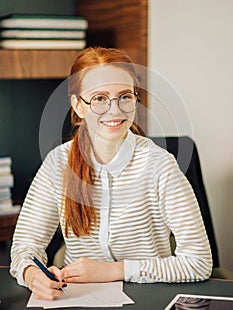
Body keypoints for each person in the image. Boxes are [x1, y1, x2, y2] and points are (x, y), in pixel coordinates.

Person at [10, 47, 212, 300]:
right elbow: (25, 246)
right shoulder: (58, 163)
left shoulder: (160, 165)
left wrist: (114, 271)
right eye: (99, 98)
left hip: (148, 298)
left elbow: (198, 262)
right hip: (76, 298)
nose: (115, 111)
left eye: (125, 96)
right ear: (78, 105)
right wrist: (31, 274)